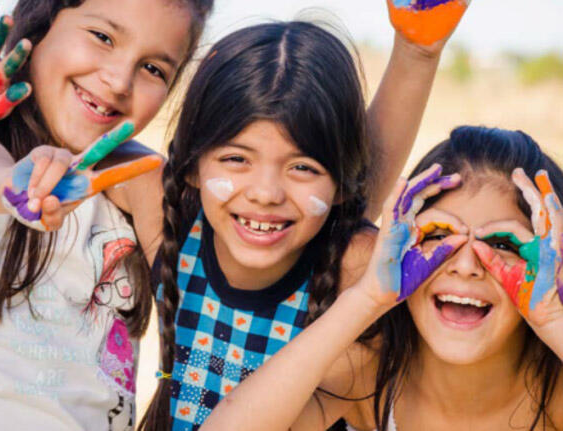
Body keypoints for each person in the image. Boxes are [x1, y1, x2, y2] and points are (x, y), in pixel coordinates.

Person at [134, 3, 468, 428]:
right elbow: (67, 149)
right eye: (237, 158)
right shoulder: (163, 208)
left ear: (340, 184)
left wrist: (417, 51)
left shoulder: (361, 276)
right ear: (192, 165)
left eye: (303, 168)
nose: (266, 194)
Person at [201, 126, 563, 431]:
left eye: (502, 243)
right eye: (437, 235)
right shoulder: (370, 373)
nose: (466, 265)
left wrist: (552, 317)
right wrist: (367, 298)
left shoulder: (554, 394)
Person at [0, 0, 213, 429]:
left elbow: (313, 233)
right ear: (42, 20)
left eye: (153, 69)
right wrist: (10, 187)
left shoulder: (143, 186)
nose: (118, 81)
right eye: (103, 37)